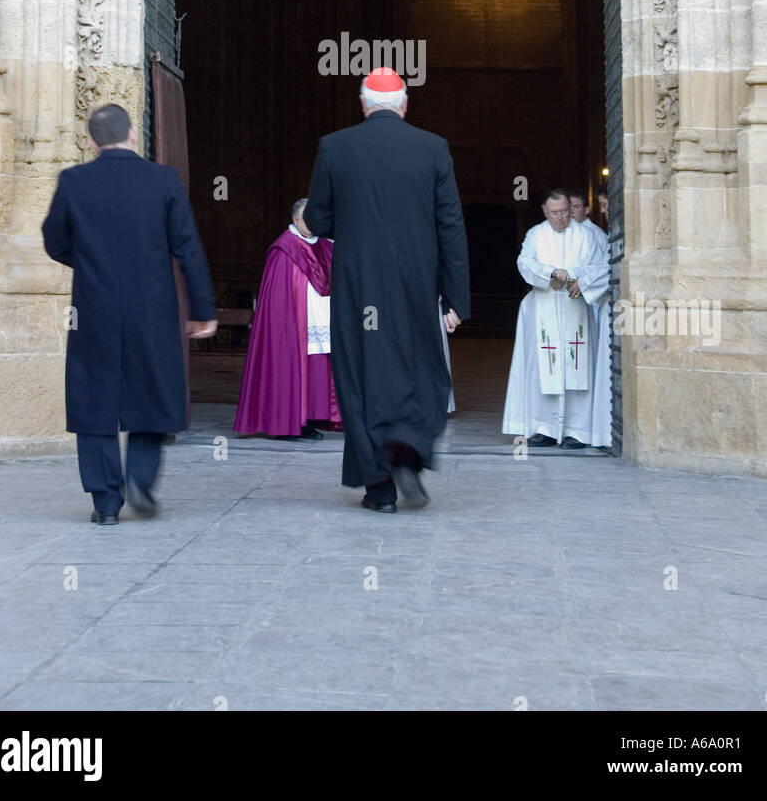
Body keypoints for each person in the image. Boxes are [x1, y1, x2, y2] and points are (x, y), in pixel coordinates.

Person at [303, 66, 470, 512]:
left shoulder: (335, 146)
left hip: (358, 285)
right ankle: (408, 452)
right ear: (404, 104)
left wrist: (354, 226)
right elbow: (450, 226)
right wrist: (455, 297)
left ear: (362, 104)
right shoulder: (433, 148)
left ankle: (379, 489)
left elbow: (317, 219)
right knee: (418, 370)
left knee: (361, 377)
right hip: (416, 284)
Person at [42, 104, 216, 525]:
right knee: (152, 389)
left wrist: (87, 262)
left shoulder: (73, 180)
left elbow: (54, 240)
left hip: (94, 308)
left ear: (91, 142)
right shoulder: (163, 180)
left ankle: (105, 501)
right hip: (152, 307)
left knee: (94, 395)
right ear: (134, 134)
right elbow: (187, 248)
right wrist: (202, 309)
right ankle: (139, 478)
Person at [501, 187, 609, 450]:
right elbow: (525, 263)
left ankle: (577, 431)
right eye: (554, 213)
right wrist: (551, 273)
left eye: (563, 212)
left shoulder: (586, 235)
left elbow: (601, 264)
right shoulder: (536, 234)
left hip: (576, 308)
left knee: (577, 369)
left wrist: (580, 280)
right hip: (543, 308)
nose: (560, 218)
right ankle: (543, 427)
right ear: (545, 212)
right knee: (543, 368)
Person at [234, 198, 340, 440]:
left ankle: (310, 419)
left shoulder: (324, 246)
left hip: (320, 321)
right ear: (295, 219)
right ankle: (286, 423)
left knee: (317, 371)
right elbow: (278, 298)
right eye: (307, 218)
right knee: (291, 369)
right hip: (293, 324)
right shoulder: (284, 249)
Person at [568, 189, 613, 449]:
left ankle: (596, 430)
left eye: (606, 205)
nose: (605, 210)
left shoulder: (597, 235)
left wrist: (583, 284)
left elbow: (607, 267)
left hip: (597, 307)